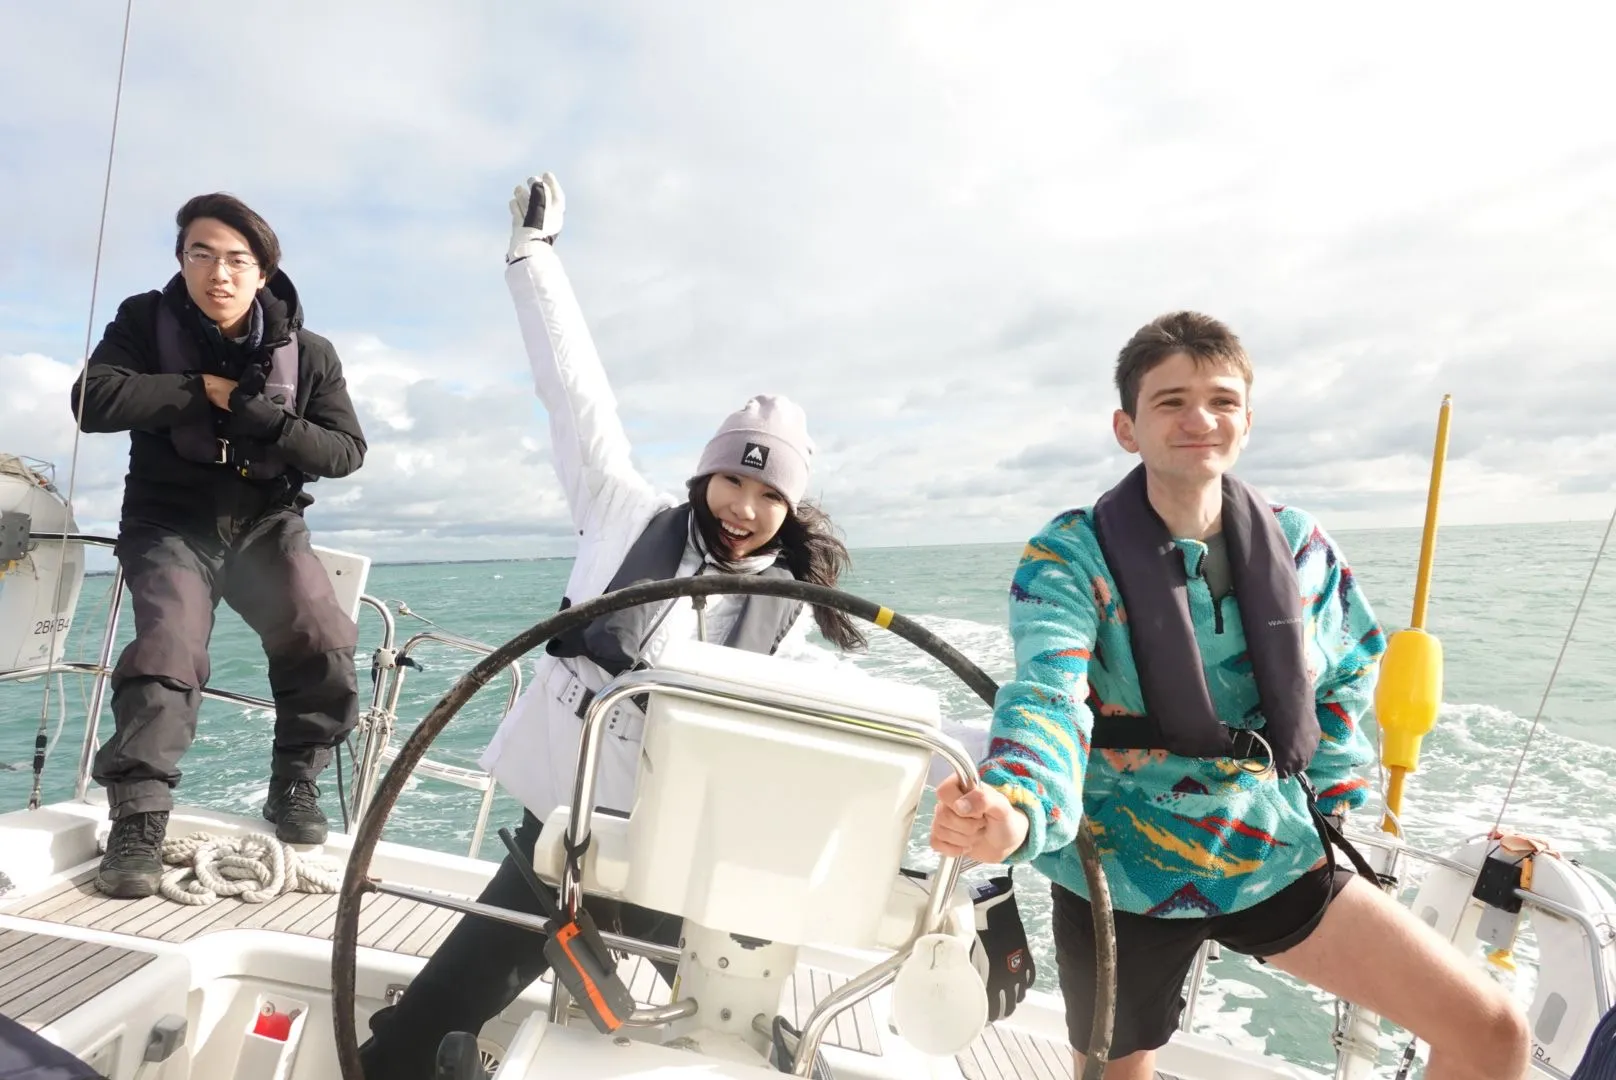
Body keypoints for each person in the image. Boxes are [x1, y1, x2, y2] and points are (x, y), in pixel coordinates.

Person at [358, 172, 870, 1079]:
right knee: (417, 1032)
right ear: (706, 474)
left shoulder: (793, 611)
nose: (745, 507)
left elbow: (837, 723)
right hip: (559, 838)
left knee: (735, 1042)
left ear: (792, 507)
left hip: (684, 863)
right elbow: (573, 390)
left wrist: (1002, 773)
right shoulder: (619, 510)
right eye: (734, 480)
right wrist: (534, 257)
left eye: (769, 492)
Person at [930, 312, 1531, 1079]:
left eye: (1220, 399)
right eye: (1171, 401)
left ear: (1247, 420)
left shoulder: (1305, 547)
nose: (1199, 419)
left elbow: (1350, 668)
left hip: (1270, 847)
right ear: (1127, 427)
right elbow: (1047, 694)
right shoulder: (1065, 556)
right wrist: (1017, 809)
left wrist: (1340, 789)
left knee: (1493, 1030)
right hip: (1117, 869)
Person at [71, 193, 366, 898]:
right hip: (170, 523)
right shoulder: (143, 321)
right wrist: (199, 390)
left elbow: (345, 451)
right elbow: (94, 401)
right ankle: (140, 818)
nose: (219, 273)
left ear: (262, 272)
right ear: (182, 261)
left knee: (322, 632)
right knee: (169, 645)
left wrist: (262, 418)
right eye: (201, 254)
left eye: (238, 259)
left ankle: (294, 783)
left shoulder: (311, 353)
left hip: (266, 524)